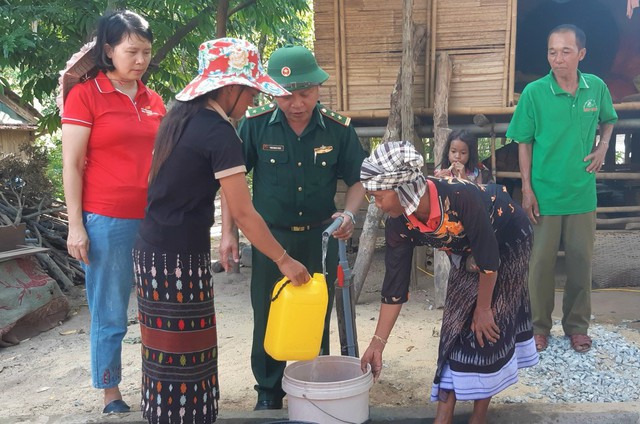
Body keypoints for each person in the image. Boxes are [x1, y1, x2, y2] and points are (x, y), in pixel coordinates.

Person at [132, 38, 309, 424]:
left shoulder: (179, 118)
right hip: (178, 259)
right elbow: (245, 213)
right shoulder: (219, 132)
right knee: (187, 363)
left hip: (152, 253)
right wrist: (283, 259)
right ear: (231, 89)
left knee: (164, 360)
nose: (250, 103)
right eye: (250, 93)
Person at [221, 44, 367, 410]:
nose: (296, 103)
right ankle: (268, 393)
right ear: (272, 92)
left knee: (314, 313)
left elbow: (359, 179)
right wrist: (228, 233)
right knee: (267, 313)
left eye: (304, 94)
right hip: (270, 238)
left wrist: (348, 215)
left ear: (318, 90)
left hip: (321, 237)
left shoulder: (337, 129)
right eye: (286, 95)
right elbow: (231, 182)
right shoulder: (253, 126)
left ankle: (312, 386)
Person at [359, 141, 539, 424]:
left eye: (379, 196)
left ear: (402, 188)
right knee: (454, 326)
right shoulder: (399, 223)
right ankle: (442, 419)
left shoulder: (458, 196)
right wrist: (377, 344)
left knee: (487, 327)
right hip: (469, 253)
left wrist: (483, 308)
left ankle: (478, 418)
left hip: (508, 239)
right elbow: (394, 288)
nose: (377, 205)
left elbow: (490, 260)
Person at [61, 10, 165, 414]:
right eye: (131, 50)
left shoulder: (152, 98)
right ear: (108, 50)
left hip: (155, 219)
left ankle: (158, 382)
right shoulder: (85, 95)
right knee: (110, 310)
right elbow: (72, 163)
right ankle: (111, 392)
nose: (140, 59)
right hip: (106, 219)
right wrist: (75, 226)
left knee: (158, 308)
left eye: (146, 51)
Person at [506, 24, 618, 354]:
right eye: (552, 52)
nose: (558, 58)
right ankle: (539, 327)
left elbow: (609, 118)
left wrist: (603, 146)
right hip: (544, 194)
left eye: (566, 51)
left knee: (581, 263)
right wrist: (526, 189)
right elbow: (523, 142)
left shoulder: (595, 88)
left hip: (582, 193)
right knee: (539, 265)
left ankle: (577, 326)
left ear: (581, 54)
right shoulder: (534, 93)